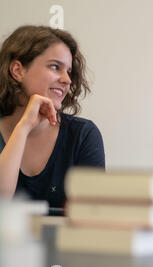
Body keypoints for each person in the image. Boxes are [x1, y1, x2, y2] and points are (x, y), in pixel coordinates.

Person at [0, 25, 105, 213]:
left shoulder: (82, 135)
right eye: (55, 67)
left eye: (69, 72)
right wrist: (23, 128)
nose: (67, 80)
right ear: (18, 70)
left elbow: (93, 215)